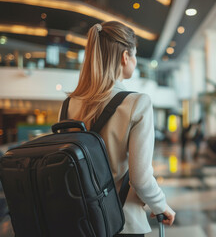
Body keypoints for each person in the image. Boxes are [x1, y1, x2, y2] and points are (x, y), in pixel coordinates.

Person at [63, 21, 175, 237]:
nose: (134, 60)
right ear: (125, 56)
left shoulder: (69, 104)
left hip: (79, 223)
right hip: (122, 222)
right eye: (134, 55)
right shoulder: (137, 103)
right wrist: (161, 205)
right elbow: (140, 178)